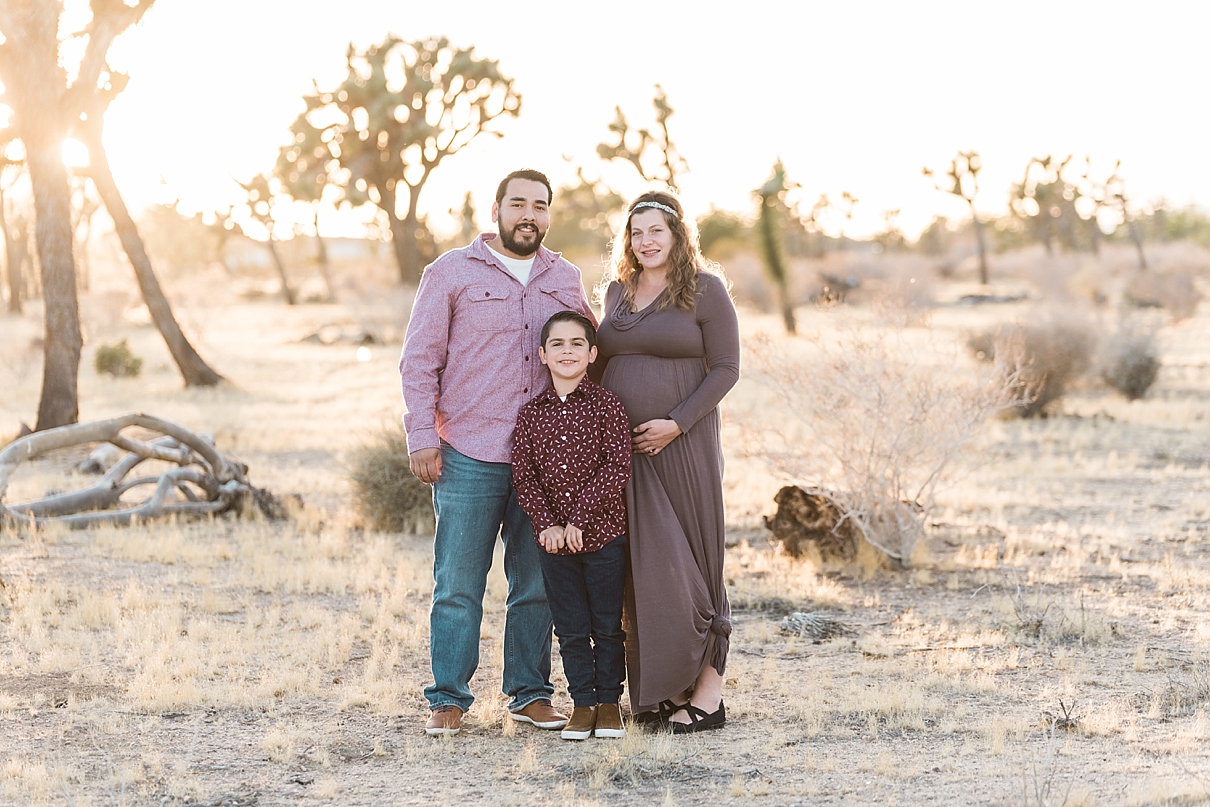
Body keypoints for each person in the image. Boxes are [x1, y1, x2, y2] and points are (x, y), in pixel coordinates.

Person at [399, 169, 595, 737]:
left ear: (549, 215)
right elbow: (419, 361)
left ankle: (530, 693)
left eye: (539, 205)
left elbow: (584, 354)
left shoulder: (566, 277)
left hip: (545, 459)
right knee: (458, 582)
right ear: (496, 210)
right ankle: (448, 698)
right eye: (518, 204)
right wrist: (422, 437)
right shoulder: (450, 273)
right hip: (467, 452)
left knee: (536, 584)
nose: (528, 214)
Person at [594, 190, 741, 734]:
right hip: (626, 454)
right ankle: (657, 693)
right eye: (636, 233)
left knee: (696, 561)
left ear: (679, 236)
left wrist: (676, 422)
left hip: (684, 446)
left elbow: (726, 369)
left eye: (656, 231)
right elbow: (597, 360)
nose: (646, 242)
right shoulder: (616, 292)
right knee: (644, 569)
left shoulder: (705, 289)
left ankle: (708, 693)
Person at [511, 311, 633, 741]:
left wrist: (579, 518)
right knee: (570, 626)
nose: (567, 351)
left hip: (603, 537)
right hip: (553, 544)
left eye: (577, 344)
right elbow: (524, 477)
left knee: (606, 624)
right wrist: (547, 525)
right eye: (557, 345)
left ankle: (608, 704)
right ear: (542, 355)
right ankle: (582, 703)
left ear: (592, 353)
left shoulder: (607, 406)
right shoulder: (530, 416)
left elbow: (617, 466)